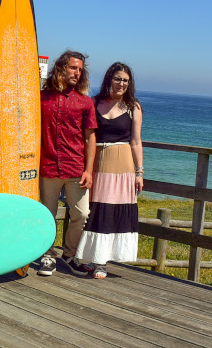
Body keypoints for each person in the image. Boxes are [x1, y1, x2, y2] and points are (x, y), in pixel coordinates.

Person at [75, 62, 143, 278]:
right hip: (97, 163)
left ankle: (102, 262)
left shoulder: (133, 107)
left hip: (123, 165)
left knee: (114, 212)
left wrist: (139, 172)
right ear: (109, 80)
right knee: (96, 210)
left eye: (125, 80)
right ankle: (90, 257)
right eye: (117, 79)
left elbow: (136, 141)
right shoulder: (93, 103)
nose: (121, 83)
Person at [37, 50, 97, 277]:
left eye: (80, 70)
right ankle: (47, 256)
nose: (77, 73)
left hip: (75, 168)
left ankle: (70, 255)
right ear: (61, 68)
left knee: (81, 214)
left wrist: (89, 170)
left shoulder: (85, 102)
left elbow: (91, 137)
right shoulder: (42, 97)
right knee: (46, 215)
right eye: (73, 68)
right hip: (48, 167)